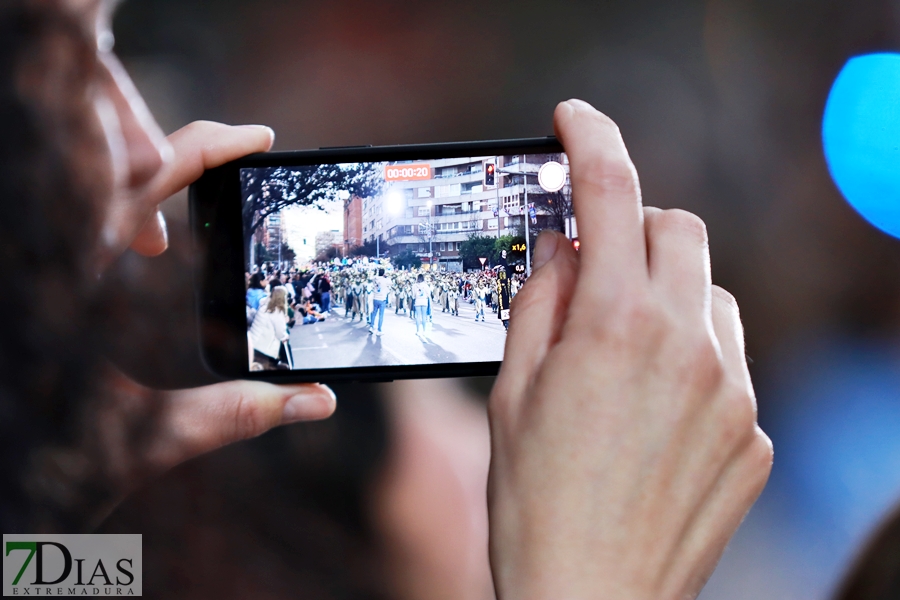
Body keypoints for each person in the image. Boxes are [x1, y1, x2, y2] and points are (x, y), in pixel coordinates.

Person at [0, 4, 774, 595]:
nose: (142, 141)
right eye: (74, 54)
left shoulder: (70, 549)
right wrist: (588, 577)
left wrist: (39, 514)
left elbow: (41, 572)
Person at [249, 287, 291, 370]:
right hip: (264, 349)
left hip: (254, 345)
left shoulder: (264, 306)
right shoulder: (277, 312)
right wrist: (285, 336)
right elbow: (280, 333)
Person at [369, 267, 389, 336]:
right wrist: (386, 277)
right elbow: (391, 283)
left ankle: (371, 326)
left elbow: (372, 278)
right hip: (382, 299)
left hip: (375, 298)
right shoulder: (385, 280)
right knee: (381, 315)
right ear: (383, 273)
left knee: (374, 313)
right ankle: (379, 330)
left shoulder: (375, 279)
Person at [412, 273, 430, 340]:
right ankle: (424, 331)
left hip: (417, 301)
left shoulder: (414, 286)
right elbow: (428, 294)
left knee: (418, 316)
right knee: (424, 316)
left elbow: (413, 295)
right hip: (424, 301)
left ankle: (418, 330)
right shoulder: (426, 285)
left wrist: (415, 297)